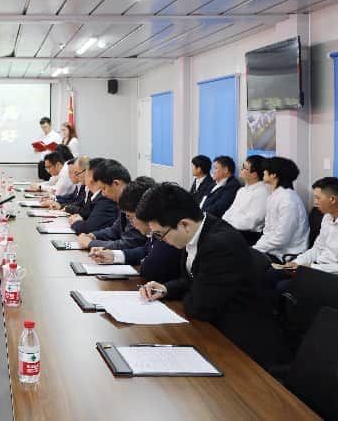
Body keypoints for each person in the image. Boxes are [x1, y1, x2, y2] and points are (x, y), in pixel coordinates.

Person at [137, 183, 289, 369]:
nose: (162, 241)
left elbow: (199, 307)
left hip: (240, 345)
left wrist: (192, 292)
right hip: (215, 328)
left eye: (161, 235)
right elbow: (192, 281)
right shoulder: (198, 231)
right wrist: (166, 289)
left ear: (184, 224)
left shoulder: (218, 244)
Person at [272, 177, 338, 282]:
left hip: (335, 277)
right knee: (272, 274)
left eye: (318, 198)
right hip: (318, 268)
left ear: (332, 200)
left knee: (283, 285)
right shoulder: (328, 217)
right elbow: (318, 249)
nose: (315, 202)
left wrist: (312, 268)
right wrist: (297, 262)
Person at [88, 178, 182, 283]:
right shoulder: (156, 231)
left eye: (131, 217)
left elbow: (150, 270)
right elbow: (145, 250)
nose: (131, 223)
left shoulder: (168, 233)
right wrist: (114, 256)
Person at [253, 157, 310, 261]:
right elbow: (268, 230)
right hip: (272, 250)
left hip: (287, 254)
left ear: (274, 174)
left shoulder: (288, 201)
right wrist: (256, 248)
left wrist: (255, 249)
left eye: (265, 170)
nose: (263, 172)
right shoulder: (274, 196)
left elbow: (282, 239)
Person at [78, 174, 149, 252]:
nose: (103, 194)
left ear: (116, 184)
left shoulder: (134, 201)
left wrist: (91, 243)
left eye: (104, 188)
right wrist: (93, 235)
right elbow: (114, 230)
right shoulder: (124, 203)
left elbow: (128, 244)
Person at [222, 155, 270, 245]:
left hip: (248, 235)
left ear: (254, 174)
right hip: (232, 230)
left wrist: (229, 225)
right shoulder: (242, 190)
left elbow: (251, 222)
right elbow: (229, 212)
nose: (241, 170)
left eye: (244, 168)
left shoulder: (262, 193)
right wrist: (225, 224)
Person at [69, 159, 122, 234]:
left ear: (91, 177)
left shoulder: (105, 199)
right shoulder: (96, 195)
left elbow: (89, 229)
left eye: (85, 174)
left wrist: (76, 222)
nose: (78, 176)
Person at [34, 117, 62, 181]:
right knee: (41, 180)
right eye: (42, 127)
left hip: (51, 163)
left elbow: (59, 150)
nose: (44, 129)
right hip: (42, 162)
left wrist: (48, 148)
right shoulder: (41, 136)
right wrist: (36, 149)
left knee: (51, 181)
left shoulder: (56, 136)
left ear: (50, 125)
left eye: (45, 127)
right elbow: (36, 150)